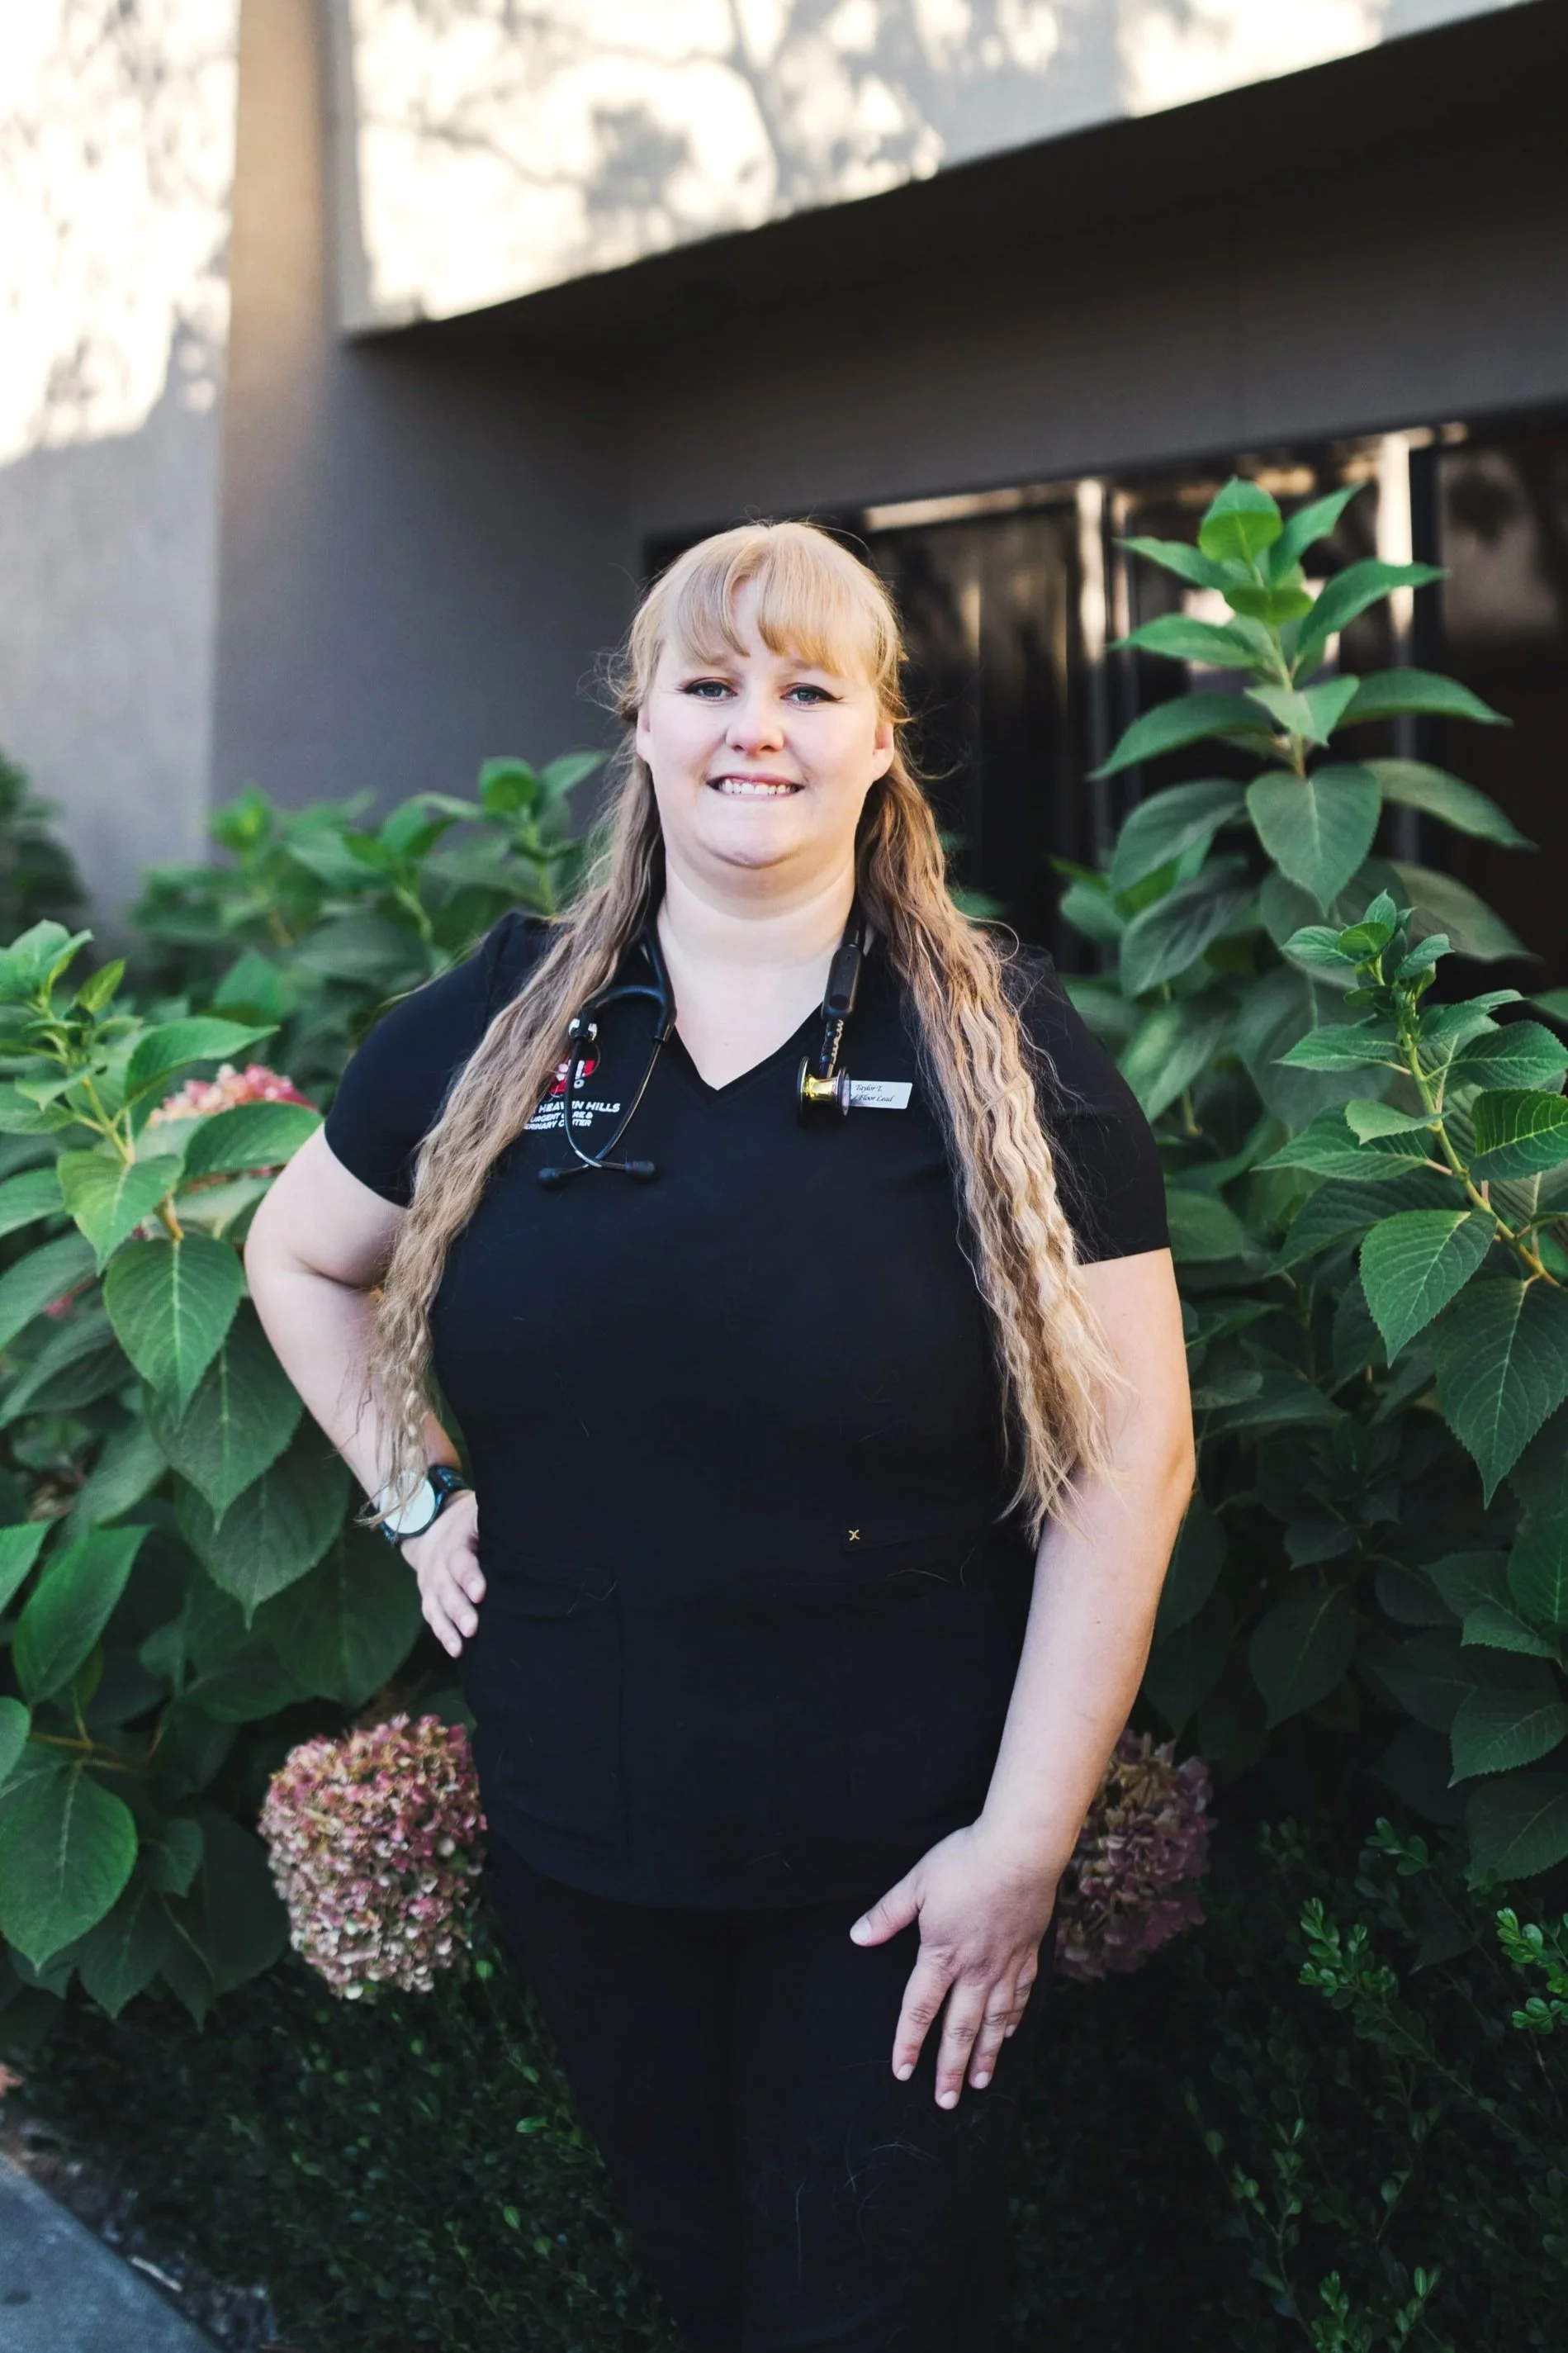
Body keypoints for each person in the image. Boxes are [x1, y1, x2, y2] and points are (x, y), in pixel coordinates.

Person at [244, 518, 1195, 2353]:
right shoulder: (506, 1021)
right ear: (645, 728)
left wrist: (1020, 1842)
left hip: (903, 1859)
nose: (756, 726)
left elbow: (1129, 1462)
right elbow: (299, 1251)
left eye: (807, 687)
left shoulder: (1006, 1041)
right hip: (589, 1840)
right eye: (710, 683)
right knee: (703, 2285)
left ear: (879, 738)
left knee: (877, 2312)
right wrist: (412, 1482)